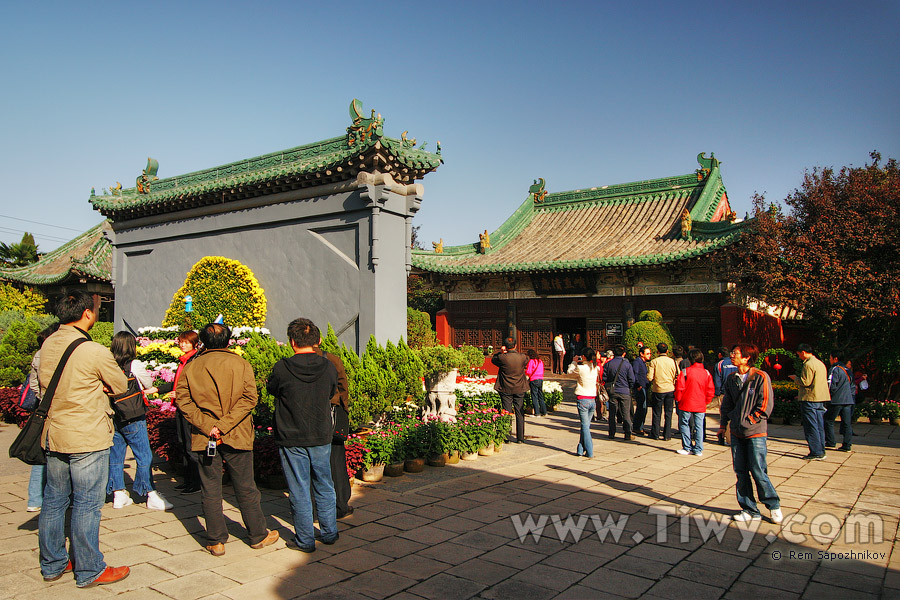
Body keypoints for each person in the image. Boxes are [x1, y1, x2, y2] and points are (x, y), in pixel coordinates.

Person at [38, 290, 131, 587]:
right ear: (88, 314)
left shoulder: (48, 344)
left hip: (53, 433)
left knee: (54, 500)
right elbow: (119, 384)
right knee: (87, 504)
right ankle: (90, 568)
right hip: (86, 434)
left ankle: (53, 563)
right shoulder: (93, 350)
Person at [176, 323, 279, 556]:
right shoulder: (240, 364)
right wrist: (223, 426)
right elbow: (249, 398)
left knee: (210, 488)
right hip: (237, 433)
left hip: (206, 436)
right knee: (246, 486)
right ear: (228, 341)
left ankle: (216, 540)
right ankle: (257, 534)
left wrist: (209, 426)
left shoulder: (192, 366)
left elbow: (183, 401)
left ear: (201, 342)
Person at [267, 318, 339, 552]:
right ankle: (329, 532)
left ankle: (305, 539)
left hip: (291, 434)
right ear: (318, 340)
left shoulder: (282, 367)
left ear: (291, 342)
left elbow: (272, 389)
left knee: (299, 487)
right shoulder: (328, 366)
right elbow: (330, 392)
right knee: (324, 483)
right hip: (320, 433)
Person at [107, 332, 173, 511]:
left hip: (114, 415)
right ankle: (149, 492)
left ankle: (118, 493)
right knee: (144, 455)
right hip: (133, 416)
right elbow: (147, 382)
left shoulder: (108, 363)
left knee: (116, 455)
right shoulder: (133, 365)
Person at [718, 343, 782, 524]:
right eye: (732, 352)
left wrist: (750, 420)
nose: (732, 356)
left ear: (747, 357)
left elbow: (765, 405)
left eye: (736, 353)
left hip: (755, 433)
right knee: (740, 471)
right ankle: (748, 508)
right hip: (737, 432)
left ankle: (773, 505)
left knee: (758, 469)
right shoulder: (731, 378)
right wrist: (724, 425)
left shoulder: (760, 377)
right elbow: (727, 404)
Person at [155, 331, 201, 494]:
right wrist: (158, 389)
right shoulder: (183, 360)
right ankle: (188, 480)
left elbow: (198, 386)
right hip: (181, 407)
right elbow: (176, 383)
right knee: (183, 444)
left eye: (187, 342)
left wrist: (180, 393)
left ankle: (195, 482)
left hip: (189, 407)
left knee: (190, 446)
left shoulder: (195, 360)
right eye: (181, 342)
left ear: (195, 344)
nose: (183, 345)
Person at [25, 323, 60, 512]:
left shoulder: (39, 354)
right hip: (58, 409)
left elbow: (33, 384)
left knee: (40, 455)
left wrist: (42, 400)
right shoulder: (57, 353)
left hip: (42, 408)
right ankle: (62, 497)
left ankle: (34, 499)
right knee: (59, 455)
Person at [316, 341, 353, 518]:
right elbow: (343, 388)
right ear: (319, 340)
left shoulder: (291, 362)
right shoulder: (332, 359)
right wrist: (343, 411)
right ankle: (340, 504)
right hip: (330, 416)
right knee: (336, 462)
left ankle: (313, 506)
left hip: (305, 421)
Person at [790, 343, 829, 460]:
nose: (799, 357)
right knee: (819, 425)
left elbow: (805, 382)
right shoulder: (820, 363)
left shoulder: (808, 365)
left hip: (810, 399)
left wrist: (795, 379)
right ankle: (821, 449)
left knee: (811, 426)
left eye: (799, 354)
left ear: (803, 352)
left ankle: (816, 451)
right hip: (820, 398)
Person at [675, 349, 714, 456]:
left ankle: (687, 447)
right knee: (699, 426)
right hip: (700, 403)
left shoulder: (685, 372)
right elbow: (710, 389)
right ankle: (698, 449)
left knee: (684, 424)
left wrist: (678, 399)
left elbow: (679, 388)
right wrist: (707, 401)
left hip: (686, 402)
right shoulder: (706, 373)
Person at [492, 337, 529, 443]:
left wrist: (501, 352)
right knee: (519, 412)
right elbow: (527, 361)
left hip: (506, 388)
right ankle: (520, 438)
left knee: (506, 411)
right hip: (520, 387)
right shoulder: (522, 357)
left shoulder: (502, 358)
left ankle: (507, 437)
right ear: (516, 345)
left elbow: (493, 359)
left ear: (505, 347)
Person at [568, 348, 599, 457]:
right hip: (592, 399)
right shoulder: (595, 368)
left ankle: (589, 451)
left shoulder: (581, 368)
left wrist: (574, 361)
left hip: (583, 399)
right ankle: (580, 449)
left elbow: (569, 372)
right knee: (585, 425)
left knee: (585, 426)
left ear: (584, 357)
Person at [603, 344, 635, 440]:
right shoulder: (627, 364)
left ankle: (612, 433)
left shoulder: (608, 364)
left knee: (612, 413)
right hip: (625, 391)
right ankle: (628, 433)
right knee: (626, 413)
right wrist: (630, 387)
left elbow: (604, 378)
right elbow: (632, 379)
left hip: (613, 391)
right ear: (624, 353)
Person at [824, 351, 854, 452]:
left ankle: (830, 442)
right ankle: (847, 444)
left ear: (835, 359)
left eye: (830, 358)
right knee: (846, 423)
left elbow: (831, 384)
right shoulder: (847, 369)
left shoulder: (835, 369)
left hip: (837, 400)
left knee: (828, 420)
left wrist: (828, 397)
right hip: (848, 399)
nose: (830, 360)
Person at [647, 342, 678, 440]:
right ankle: (667, 435)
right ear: (667, 351)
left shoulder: (654, 362)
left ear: (657, 351)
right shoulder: (673, 361)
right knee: (668, 413)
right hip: (670, 389)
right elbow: (677, 375)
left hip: (658, 389)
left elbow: (649, 377)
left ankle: (655, 433)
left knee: (657, 412)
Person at [713, 346, 738, 444]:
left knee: (724, 415)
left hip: (724, 393)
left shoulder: (720, 364)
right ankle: (731, 436)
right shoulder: (735, 363)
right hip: (736, 392)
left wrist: (717, 393)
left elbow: (717, 380)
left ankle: (726, 437)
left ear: (720, 354)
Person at [631, 345, 652, 437]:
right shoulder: (637, 362)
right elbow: (634, 373)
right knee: (641, 407)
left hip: (644, 386)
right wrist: (638, 384)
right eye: (647, 353)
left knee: (644, 408)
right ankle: (637, 427)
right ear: (641, 354)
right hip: (640, 387)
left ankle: (640, 426)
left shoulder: (643, 363)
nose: (649, 355)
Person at [525, 349, 547, 417]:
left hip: (534, 379)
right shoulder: (540, 361)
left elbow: (528, 371)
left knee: (534, 396)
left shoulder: (531, 361)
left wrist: (525, 372)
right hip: (540, 379)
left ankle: (537, 413)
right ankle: (544, 411)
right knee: (540, 395)